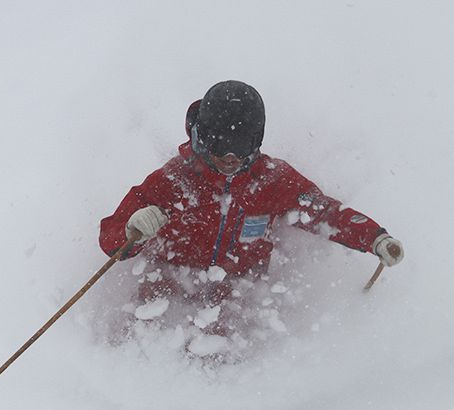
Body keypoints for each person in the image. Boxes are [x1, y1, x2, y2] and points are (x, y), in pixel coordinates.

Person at [99, 81, 403, 335]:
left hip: (235, 298)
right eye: (220, 144)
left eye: (242, 145)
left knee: (227, 342)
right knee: (141, 331)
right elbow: (111, 237)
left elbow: (324, 213)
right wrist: (132, 230)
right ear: (204, 136)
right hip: (170, 290)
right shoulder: (175, 180)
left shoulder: (271, 180)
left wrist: (373, 237)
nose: (230, 157)